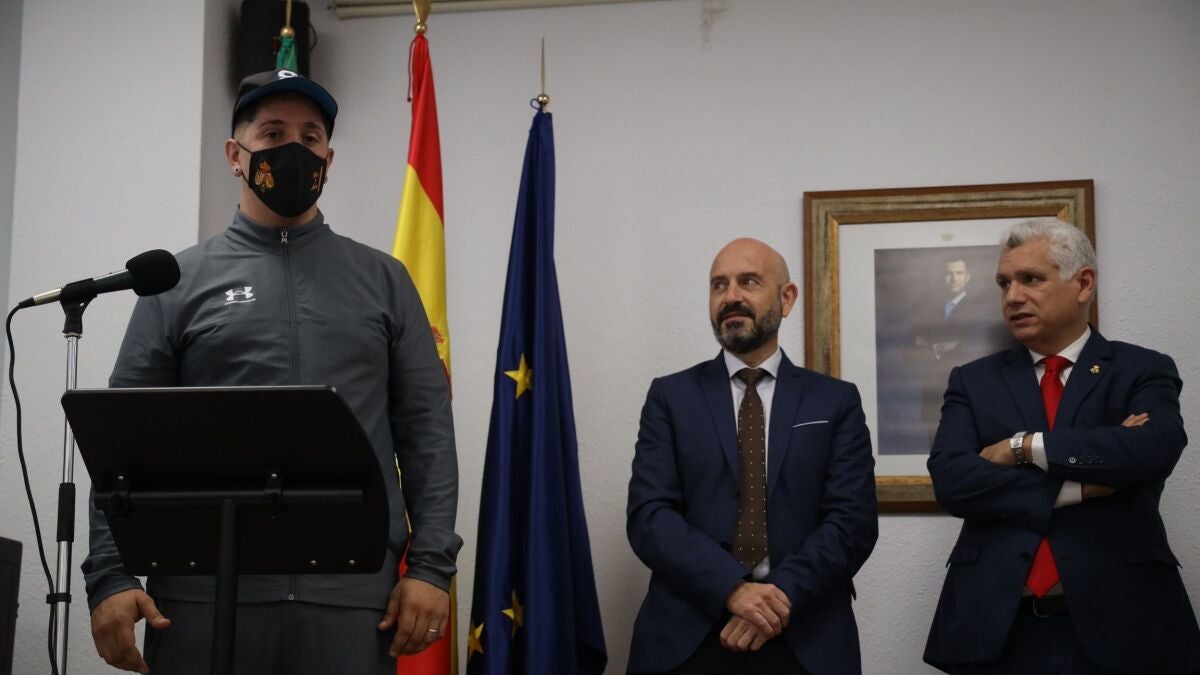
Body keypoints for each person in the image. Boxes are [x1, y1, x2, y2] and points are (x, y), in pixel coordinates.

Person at [81, 69, 462, 674]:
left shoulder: (385, 281)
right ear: (236, 155)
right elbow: (120, 442)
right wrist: (110, 575)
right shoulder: (176, 283)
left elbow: (426, 431)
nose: (294, 149)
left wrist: (432, 568)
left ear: (328, 159)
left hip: (353, 599)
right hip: (201, 595)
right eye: (273, 133)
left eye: (310, 138)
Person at [924, 218, 1200, 674]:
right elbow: (953, 483)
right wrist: (1081, 487)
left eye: (1030, 279)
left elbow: (1153, 449)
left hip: (1124, 621)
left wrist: (1022, 447)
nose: (1012, 297)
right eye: (1004, 283)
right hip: (996, 626)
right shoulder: (973, 381)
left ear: (1083, 283)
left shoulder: (1141, 369)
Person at [626, 238, 878, 675]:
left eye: (749, 281)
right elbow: (650, 515)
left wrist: (776, 599)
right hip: (688, 635)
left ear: (787, 298)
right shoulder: (670, 397)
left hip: (805, 635)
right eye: (718, 285)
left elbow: (851, 521)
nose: (731, 296)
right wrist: (732, 589)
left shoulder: (835, 401)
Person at [911, 256, 1010, 435]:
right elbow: (913, 348)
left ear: (967, 277)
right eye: (949, 274)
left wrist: (932, 346)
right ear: (943, 277)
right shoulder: (928, 310)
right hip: (933, 391)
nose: (954, 278)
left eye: (959, 273)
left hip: (969, 390)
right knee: (934, 442)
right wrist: (942, 347)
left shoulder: (979, 309)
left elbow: (973, 347)